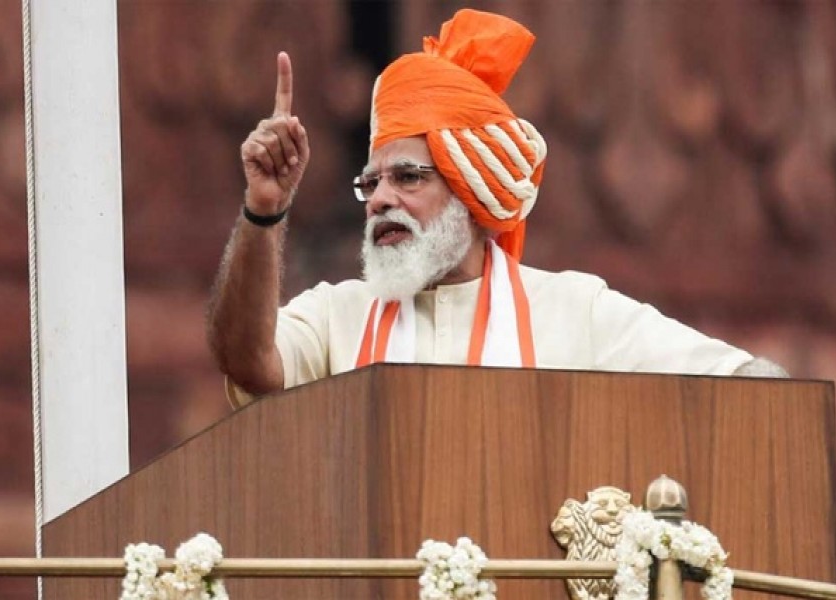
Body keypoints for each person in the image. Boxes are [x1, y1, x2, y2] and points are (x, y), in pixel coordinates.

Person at [207, 9, 786, 407]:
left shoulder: (572, 310)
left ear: (471, 187)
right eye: (371, 182)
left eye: (407, 177)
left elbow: (744, 385)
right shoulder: (341, 314)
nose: (381, 198)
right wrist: (264, 210)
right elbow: (247, 359)